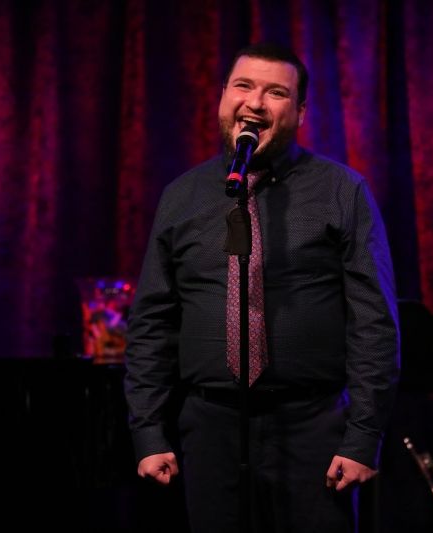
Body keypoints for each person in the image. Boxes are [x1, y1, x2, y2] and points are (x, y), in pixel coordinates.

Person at [124, 43, 400, 533]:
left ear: (299, 111)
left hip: (312, 427)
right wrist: (148, 430)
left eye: (276, 92)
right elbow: (151, 322)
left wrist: (362, 437)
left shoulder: (341, 191)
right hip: (210, 430)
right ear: (222, 98)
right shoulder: (182, 196)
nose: (255, 103)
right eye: (243, 86)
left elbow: (374, 322)